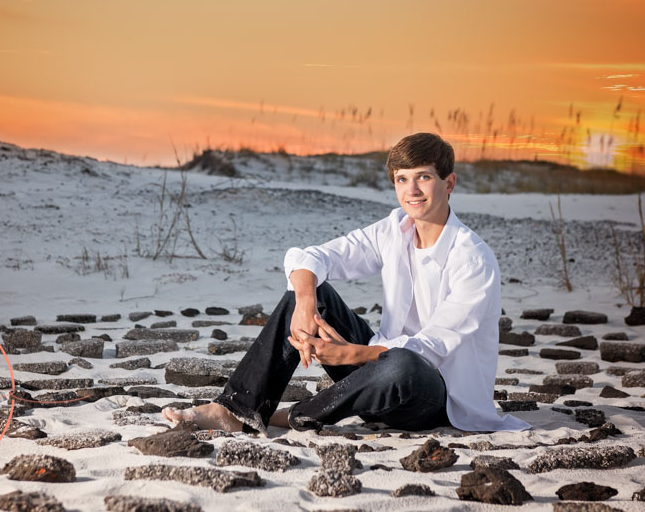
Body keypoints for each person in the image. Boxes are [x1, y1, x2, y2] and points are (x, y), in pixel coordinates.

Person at [163, 132, 530, 434]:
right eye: (402, 179)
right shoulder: (394, 229)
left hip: (435, 399)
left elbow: (430, 349)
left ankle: (294, 415)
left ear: (449, 183)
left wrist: (350, 354)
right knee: (308, 290)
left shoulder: (473, 258)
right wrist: (306, 303)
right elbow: (313, 258)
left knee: (401, 364)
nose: (412, 190)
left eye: (423, 177)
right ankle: (236, 409)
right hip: (374, 370)